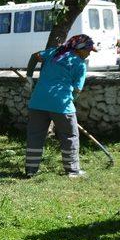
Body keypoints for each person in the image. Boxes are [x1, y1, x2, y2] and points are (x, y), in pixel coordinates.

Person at [24, 34, 97, 178]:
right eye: (88, 50)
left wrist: (29, 78)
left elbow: (34, 56)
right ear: (79, 48)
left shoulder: (54, 53)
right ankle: (73, 171)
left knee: (35, 136)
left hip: (38, 101)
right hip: (62, 105)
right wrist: (70, 101)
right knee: (70, 136)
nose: (89, 53)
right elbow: (77, 90)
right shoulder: (80, 65)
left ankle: (30, 170)